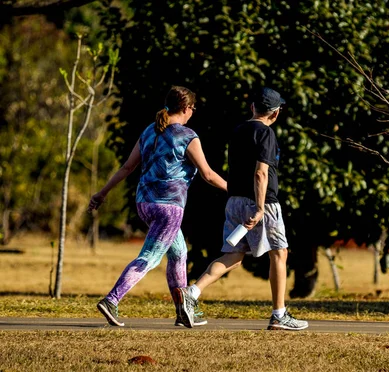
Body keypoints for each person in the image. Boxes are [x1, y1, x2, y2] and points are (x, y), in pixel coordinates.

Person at [88, 85, 227, 327]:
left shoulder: (150, 131)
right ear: (185, 108)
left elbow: (126, 168)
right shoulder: (187, 136)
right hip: (169, 208)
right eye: (193, 108)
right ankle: (112, 299)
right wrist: (234, 189)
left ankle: (184, 312)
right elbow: (207, 174)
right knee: (150, 258)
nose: (193, 112)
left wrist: (102, 193)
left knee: (179, 253)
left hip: (144, 203)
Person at [175, 87, 308, 331]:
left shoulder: (237, 131)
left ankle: (192, 292)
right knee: (279, 253)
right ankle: (279, 315)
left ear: (252, 107)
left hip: (234, 200)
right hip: (261, 203)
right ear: (276, 113)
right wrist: (259, 208)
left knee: (233, 256)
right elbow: (260, 173)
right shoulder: (265, 133)